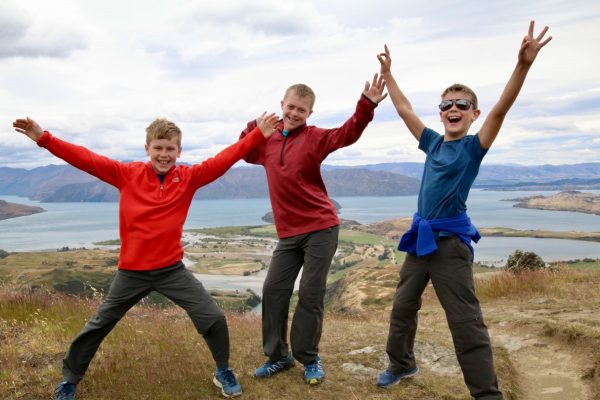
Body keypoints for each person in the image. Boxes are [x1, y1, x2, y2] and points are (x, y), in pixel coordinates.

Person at [13, 113, 279, 399]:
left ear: (179, 151)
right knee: (99, 324)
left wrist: (258, 135)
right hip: (132, 272)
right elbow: (85, 158)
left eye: (170, 149)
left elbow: (225, 158)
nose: (164, 155)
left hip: (172, 270)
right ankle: (70, 379)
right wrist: (44, 138)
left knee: (213, 317)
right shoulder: (127, 174)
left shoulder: (188, 178)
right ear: (147, 149)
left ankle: (222, 370)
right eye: (158, 148)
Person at [375, 21, 551, 399]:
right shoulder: (433, 143)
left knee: (465, 322)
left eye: (462, 105)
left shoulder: (473, 147)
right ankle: (402, 364)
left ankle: (486, 394)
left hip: (450, 246)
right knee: (402, 309)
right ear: (440, 114)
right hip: (420, 242)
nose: (453, 108)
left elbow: (502, 111)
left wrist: (523, 65)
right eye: (447, 105)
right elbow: (404, 109)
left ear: (473, 113)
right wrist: (389, 75)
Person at [239, 77, 387, 385]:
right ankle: (279, 356)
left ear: (309, 114)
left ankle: (309, 357)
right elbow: (245, 151)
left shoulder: (315, 138)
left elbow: (347, 133)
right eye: (291, 107)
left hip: (321, 227)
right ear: (282, 105)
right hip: (288, 234)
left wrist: (367, 104)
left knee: (310, 294)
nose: (294, 113)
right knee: (273, 291)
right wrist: (253, 126)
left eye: (302, 110)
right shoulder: (268, 140)